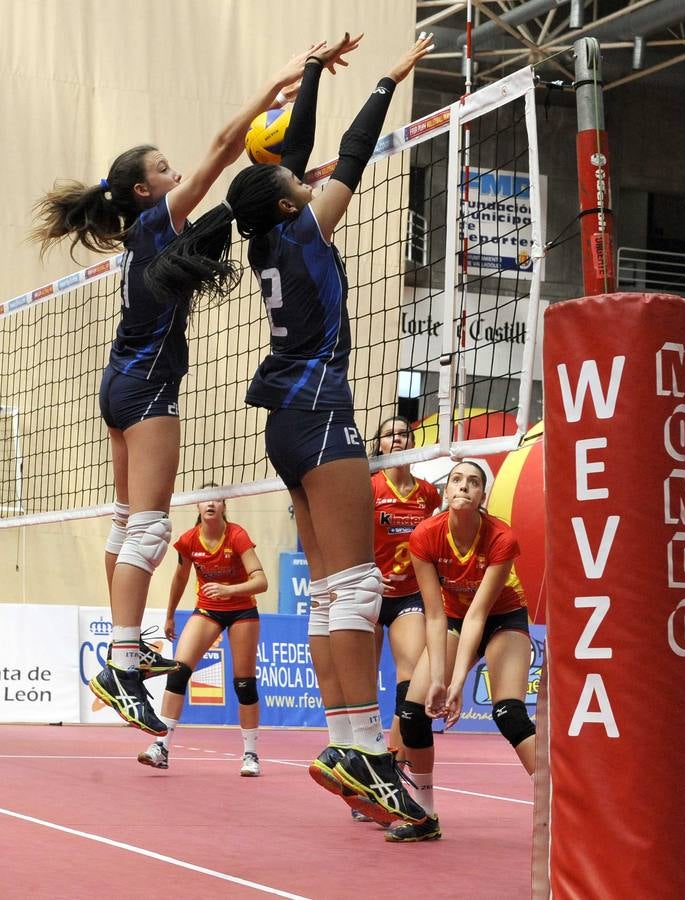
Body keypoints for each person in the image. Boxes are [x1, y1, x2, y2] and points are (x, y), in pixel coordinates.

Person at [145, 33, 437, 826]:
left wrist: (309, 72)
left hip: (287, 420)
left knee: (326, 595)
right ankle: (366, 747)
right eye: (294, 181)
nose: (310, 180)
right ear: (283, 201)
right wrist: (383, 80)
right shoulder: (303, 230)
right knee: (356, 586)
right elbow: (347, 150)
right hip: (318, 411)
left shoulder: (278, 234)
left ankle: (346, 742)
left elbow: (301, 159)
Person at [30, 44, 328, 736]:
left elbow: (232, 210)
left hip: (119, 385)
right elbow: (226, 147)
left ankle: (127, 653)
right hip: (145, 389)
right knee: (153, 526)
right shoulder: (159, 220)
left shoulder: (151, 234)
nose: (177, 172)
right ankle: (123, 661)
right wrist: (277, 84)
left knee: (125, 520)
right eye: (164, 169)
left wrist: (289, 184)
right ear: (144, 190)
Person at [387, 460, 536, 843]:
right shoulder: (425, 535)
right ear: (447, 492)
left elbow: (479, 615)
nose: (464, 487)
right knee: (414, 711)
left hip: (503, 618)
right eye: (457, 480)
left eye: (473, 482)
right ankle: (424, 815)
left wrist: (457, 685)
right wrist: (438, 680)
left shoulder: (502, 538)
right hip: (451, 618)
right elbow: (434, 615)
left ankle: (565, 805)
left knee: (509, 713)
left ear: (482, 496)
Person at [348, 417, 441, 824]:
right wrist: (366, 570)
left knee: (411, 681)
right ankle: (361, 772)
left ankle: (392, 766)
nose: (397, 439)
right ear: (380, 445)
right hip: (369, 592)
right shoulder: (367, 487)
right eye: (389, 434)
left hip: (408, 596)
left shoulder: (428, 494)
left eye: (402, 434)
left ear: (411, 442)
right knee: (363, 685)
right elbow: (347, 537)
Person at [137, 489, 268, 775]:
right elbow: (180, 577)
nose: (210, 502)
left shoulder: (237, 536)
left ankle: (251, 754)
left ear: (223, 506)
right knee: (178, 670)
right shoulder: (188, 540)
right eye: (205, 498)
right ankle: (161, 747)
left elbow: (261, 581)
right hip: (208, 609)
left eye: (217, 498)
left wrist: (229, 590)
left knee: (244, 683)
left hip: (242, 609)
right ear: (197, 505)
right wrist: (169, 615)